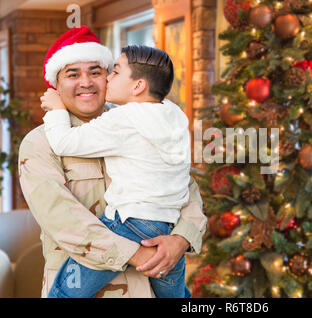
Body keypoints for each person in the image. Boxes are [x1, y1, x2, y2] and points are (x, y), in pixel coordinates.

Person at [18, 26, 207, 298]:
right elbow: (61, 219)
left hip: (146, 290)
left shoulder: (142, 122)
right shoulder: (40, 144)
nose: (86, 82)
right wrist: (140, 254)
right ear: (56, 86)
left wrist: (181, 239)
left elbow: (182, 186)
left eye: (96, 72)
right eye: (73, 74)